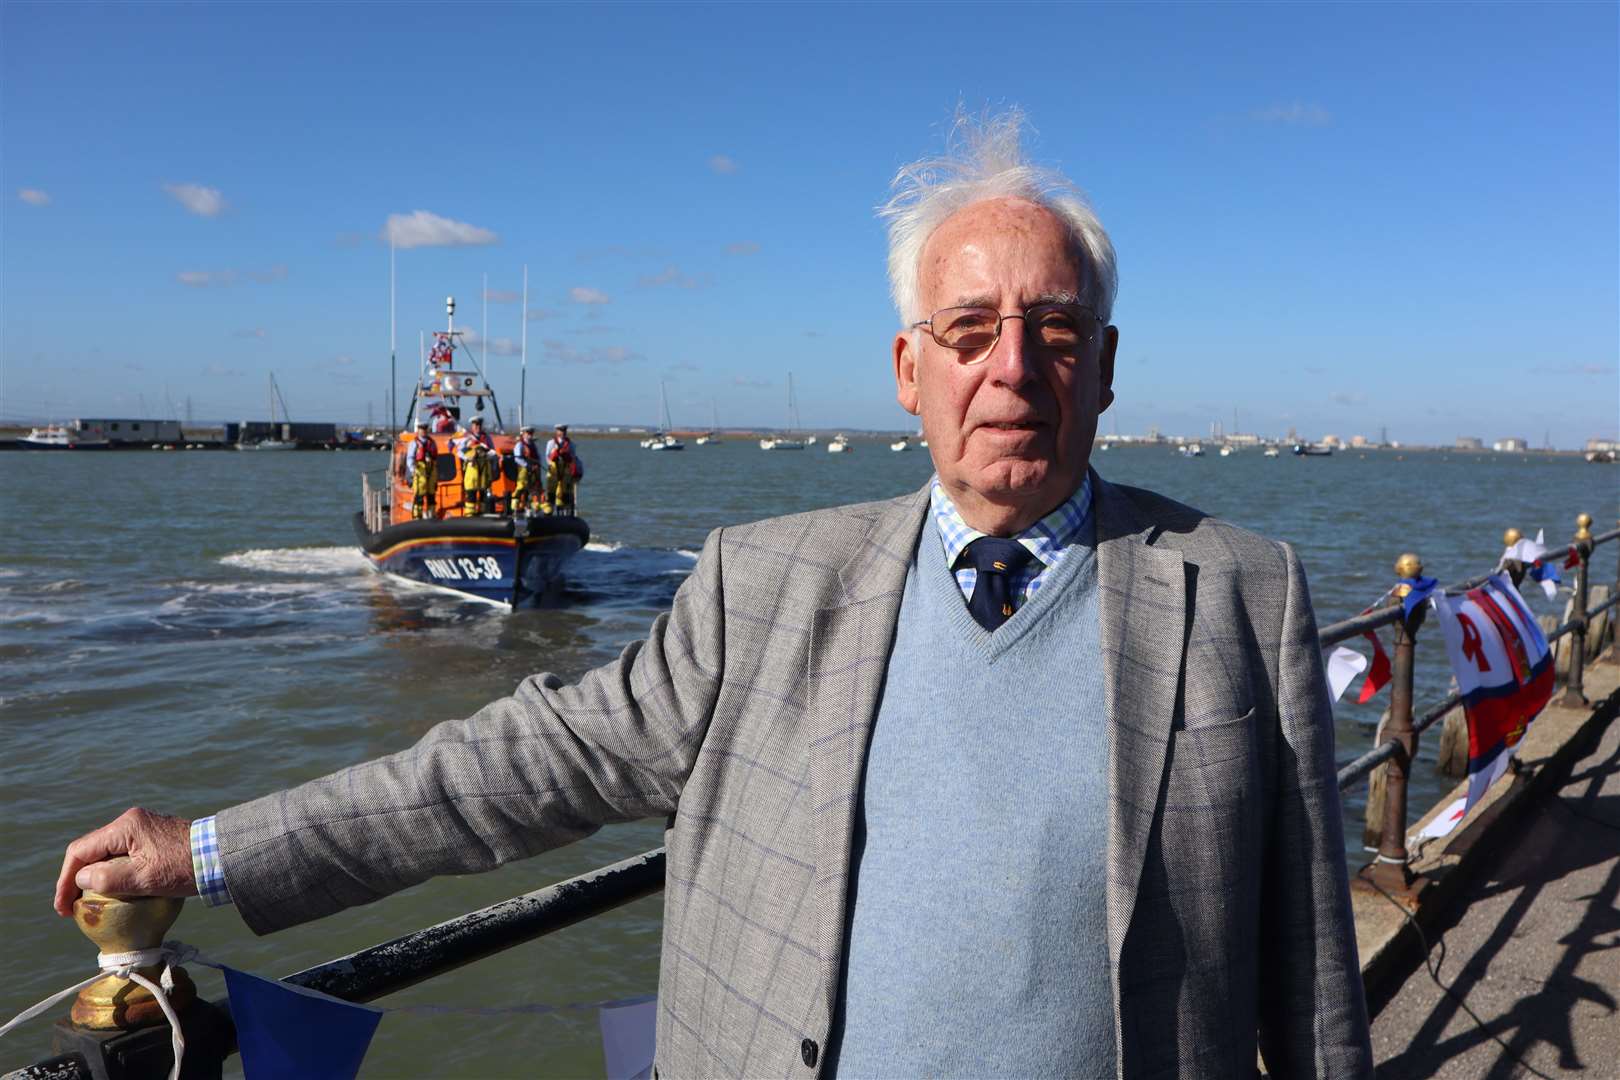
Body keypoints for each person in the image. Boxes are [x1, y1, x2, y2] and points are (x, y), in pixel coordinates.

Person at [54, 110, 1371, 1078]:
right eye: (970, 332)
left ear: (1107, 368)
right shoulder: (765, 585)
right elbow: (521, 765)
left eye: (1057, 331)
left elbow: (1312, 990)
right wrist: (210, 852)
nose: (1014, 367)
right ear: (909, 371)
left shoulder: (1242, 595)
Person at [456, 415, 496, 516]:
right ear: (472, 426)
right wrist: (468, 458)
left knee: (483, 493)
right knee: (471, 493)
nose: (478, 427)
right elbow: (459, 452)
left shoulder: (486, 438)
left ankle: (482, 512)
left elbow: (493, 452)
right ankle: (470, 514)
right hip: (472, 468)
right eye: (476, 425)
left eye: (479, 425)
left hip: (484, 469)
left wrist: (486, 455)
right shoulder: (467, 439)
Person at [541, 423, 581, 516]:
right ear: (557, 431)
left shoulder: (571, 444)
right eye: (560, 431)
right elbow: (547, 457)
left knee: (566, 493)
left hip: (566, 471)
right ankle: (548, 514)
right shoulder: (551, 443)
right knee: (551, 492)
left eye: (564, 431)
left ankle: (565, 513)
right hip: (554, 470)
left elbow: (573, 457)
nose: (562, 433)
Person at [404, 420, 439, 520]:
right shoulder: (414, 443)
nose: (423, 431)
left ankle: (431, 514)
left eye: (425, 429)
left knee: (431, 495)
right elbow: (410, 458)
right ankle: (417, 516)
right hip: (420, 471)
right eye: (421, 429)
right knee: (419, 495)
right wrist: (413, 469)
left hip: (431, 470)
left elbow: (435, 456)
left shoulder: (432, 443)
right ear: (418, 430)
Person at [509, 424, 542, 517]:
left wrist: (536, 465)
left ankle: (530, 508)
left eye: (531, 433)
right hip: (523, 470)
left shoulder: (533, 446)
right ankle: (515, 508)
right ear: (523, 434)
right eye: (528, 433)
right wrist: (527, 465)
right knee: (521, 488)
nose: (530, 435)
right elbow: (517, 459)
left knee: (532, 489)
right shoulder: (519, 445)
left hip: (533, 471)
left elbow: (538, 457)